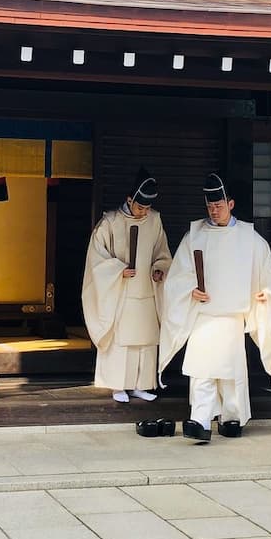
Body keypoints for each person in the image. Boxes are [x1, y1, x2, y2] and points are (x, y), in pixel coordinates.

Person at [158, 172, 271, 442]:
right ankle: (201, 419)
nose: (213, 211)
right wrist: (189, 290)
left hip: (231, 316)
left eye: (218, 205)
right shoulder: (194, 236)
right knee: (202, 371)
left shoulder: (250, 238)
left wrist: (266, 293)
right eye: (209, 206)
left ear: (231, 204)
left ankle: (232, 418)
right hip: (203, 316)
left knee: (230, 374)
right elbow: (177, 277)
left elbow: (269, 275)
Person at [82, 168, 172, 403]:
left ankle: (141, 384)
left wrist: (159, 269)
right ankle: (118, 385)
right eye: (140, 207)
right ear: (129, 200)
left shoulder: (155, 221)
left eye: (147, 208)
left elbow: (162, 252)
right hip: (120, 293)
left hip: (146, 291)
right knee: (122, 341)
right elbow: (96, 259)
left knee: (145, 340)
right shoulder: (110, 222)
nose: (144, 212)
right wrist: (117, 270)